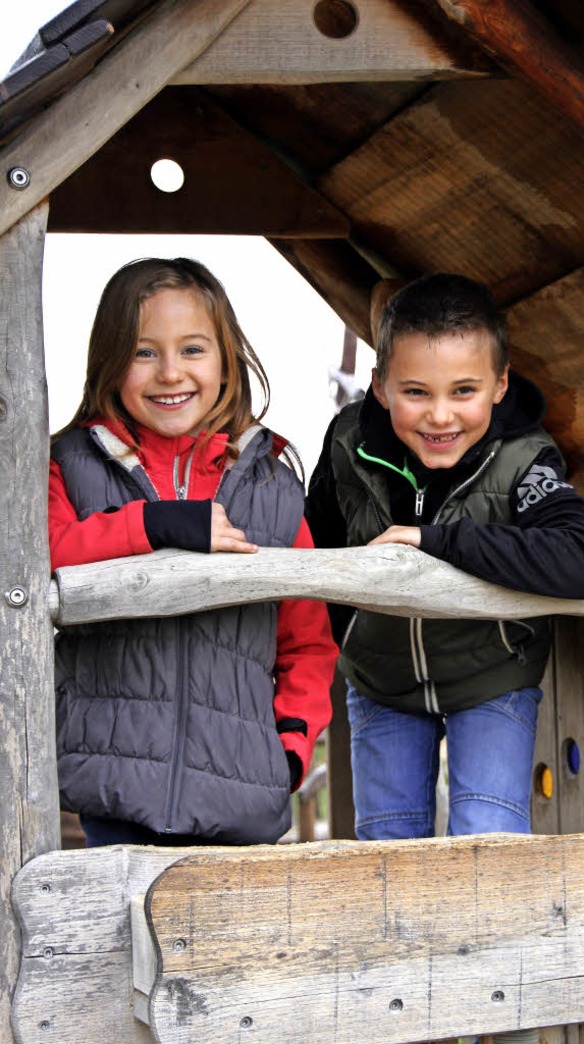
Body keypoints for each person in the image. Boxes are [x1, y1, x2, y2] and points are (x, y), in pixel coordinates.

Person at [306, 274, 584, 1043]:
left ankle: (489, 1023)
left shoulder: (523, 457)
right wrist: (348, 637)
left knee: (486, 842)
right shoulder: (349, 442)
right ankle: (403, 1024)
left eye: (464, 390)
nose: (440, 415)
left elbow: (582, 563)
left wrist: (434, 544)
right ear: (380, 388)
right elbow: (315, 543)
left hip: (492, 681)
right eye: (415, 391)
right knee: (388, 853)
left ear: (500, 384)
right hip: (381, 683)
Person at [49, 257, 338, 848]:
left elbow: (306, 640)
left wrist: (290, 749)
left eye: (193, 349)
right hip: (109, 785)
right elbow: (44, 559)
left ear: (227, 358)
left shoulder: (272, 488)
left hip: (241, 790)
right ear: (110, 360)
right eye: (144, 352)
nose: (170, 372)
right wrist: (154, 525)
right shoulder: (71, 465)